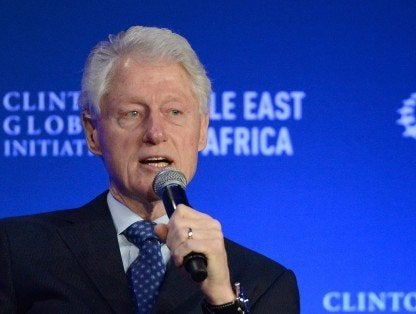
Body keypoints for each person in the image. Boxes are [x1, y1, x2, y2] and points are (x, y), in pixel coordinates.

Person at [0, 26, 299, 313]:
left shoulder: (265, 283)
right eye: (132, 113)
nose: (155, 133)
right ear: (92, 132)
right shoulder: (17, 251)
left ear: (202, 130)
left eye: (174, 112)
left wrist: (222, 300)